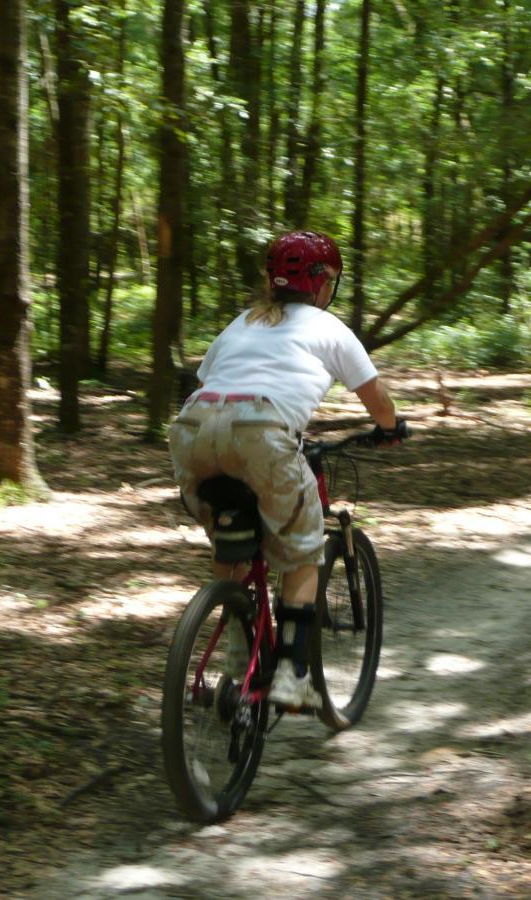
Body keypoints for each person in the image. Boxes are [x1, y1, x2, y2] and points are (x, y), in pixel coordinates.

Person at [168, 231, 403, 711]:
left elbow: (210, 380)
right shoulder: (328, 327)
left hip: (192, 429)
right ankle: (294, 680)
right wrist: (391, 427)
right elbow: (375, 397)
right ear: (320, 284)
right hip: (260, 430)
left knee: (231, 536)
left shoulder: (242, 322)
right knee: (302, 549)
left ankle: (238, 654)